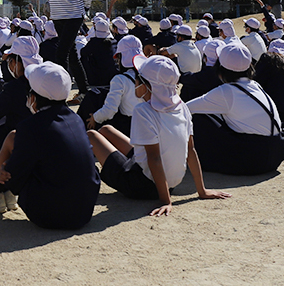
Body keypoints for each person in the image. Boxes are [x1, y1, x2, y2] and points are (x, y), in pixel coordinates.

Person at [87, 54, 231, 215]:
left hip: (143, 185)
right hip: (168, 182)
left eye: (138, 78)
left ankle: (81, 180)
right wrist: (202, 191)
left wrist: (166, 201)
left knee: (91, 135)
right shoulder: (182, 107)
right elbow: (190, 150)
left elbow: (154, 158)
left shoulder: (143, 111)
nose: (135, 81)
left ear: (148, 85)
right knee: (106, 130)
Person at [0, 61, 100, 228]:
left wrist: (4, 172)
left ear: (33, 97)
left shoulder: (30, 127)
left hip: (49, 214)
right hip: (85, 210)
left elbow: (14, 179)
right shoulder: (75, 119)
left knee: (12, 138)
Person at [184, 42, 284, 175]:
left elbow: (185, 109)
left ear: (220, 67)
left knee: (197, 118)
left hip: (254, 160)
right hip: (276, 154)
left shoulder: (226, 91)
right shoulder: (254, 85)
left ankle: (191, 158)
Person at [84, 35, 142, 136]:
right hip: (149, 123)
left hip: (129, 127)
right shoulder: (149, 74)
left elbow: (110, 110)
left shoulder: (120, 79)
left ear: (121, 57)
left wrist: (95, 118)